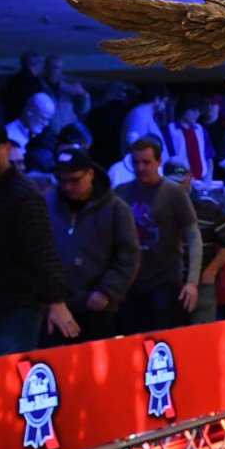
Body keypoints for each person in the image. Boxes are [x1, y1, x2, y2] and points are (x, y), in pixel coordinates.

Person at [0, 122, 78, 354]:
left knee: (9, 372)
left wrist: (56, 300)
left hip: (20, 303)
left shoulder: (25, 196)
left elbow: (42, 250)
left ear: (5, 149)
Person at [45, 147, 140, 342]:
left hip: (97, 305)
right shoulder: (47, 204)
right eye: (62, 180)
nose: (68, 187)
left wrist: (107, 291)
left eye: (75, 180)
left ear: (90, 174)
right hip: (56, 306)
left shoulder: (116, 209)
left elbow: (129, 256)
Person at [116, 135, 201, 333]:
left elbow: (193, 236)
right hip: (131, 284)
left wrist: (192, 283)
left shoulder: (173, 193)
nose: (140, 168)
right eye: (136, 163)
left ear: (158, 162)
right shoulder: (120, 193)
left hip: (165, 283)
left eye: (146, 162)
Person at [164, 160, 225, 324]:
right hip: (168, 285)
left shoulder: (208, 208)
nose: (177, 188)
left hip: (202, 285)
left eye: (180, 182)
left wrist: (212, 270)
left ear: (190, 179)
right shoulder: (160, 210)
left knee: (203, 336)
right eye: (172, 184)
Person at [161, 92, 217, 185]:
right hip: (178, 181)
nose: (196, 114)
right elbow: (167, 160)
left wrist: (209, 176)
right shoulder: (169, 131)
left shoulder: (201, 131)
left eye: (198, 111)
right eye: (193, 110)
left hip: (201, 182)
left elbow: (209, 156)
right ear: (184, 110)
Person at [41, 54, 91, 136]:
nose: (54, 70)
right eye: (52, 66)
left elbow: (83, 109)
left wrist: (83, 94)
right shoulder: (39, 86)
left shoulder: (69, 87)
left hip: (68, 133)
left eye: (58, 67)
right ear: (46, 68)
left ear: (61, 69)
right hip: (47, 134)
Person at [2, 51, 45, 123]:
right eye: (39, 64)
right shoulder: (35, 83)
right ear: (33, 65)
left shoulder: (12, 81)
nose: (41, 67)